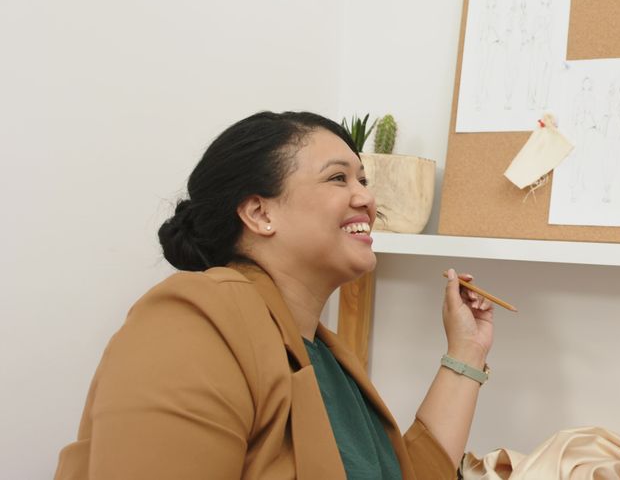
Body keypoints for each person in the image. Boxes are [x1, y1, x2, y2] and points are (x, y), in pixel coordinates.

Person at [54, 112, 495, 479]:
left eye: (363, 178)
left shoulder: (326, 357)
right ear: (260, 213)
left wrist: (467, 352)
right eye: (338, 178)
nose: (366, 197)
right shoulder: (191, 320)